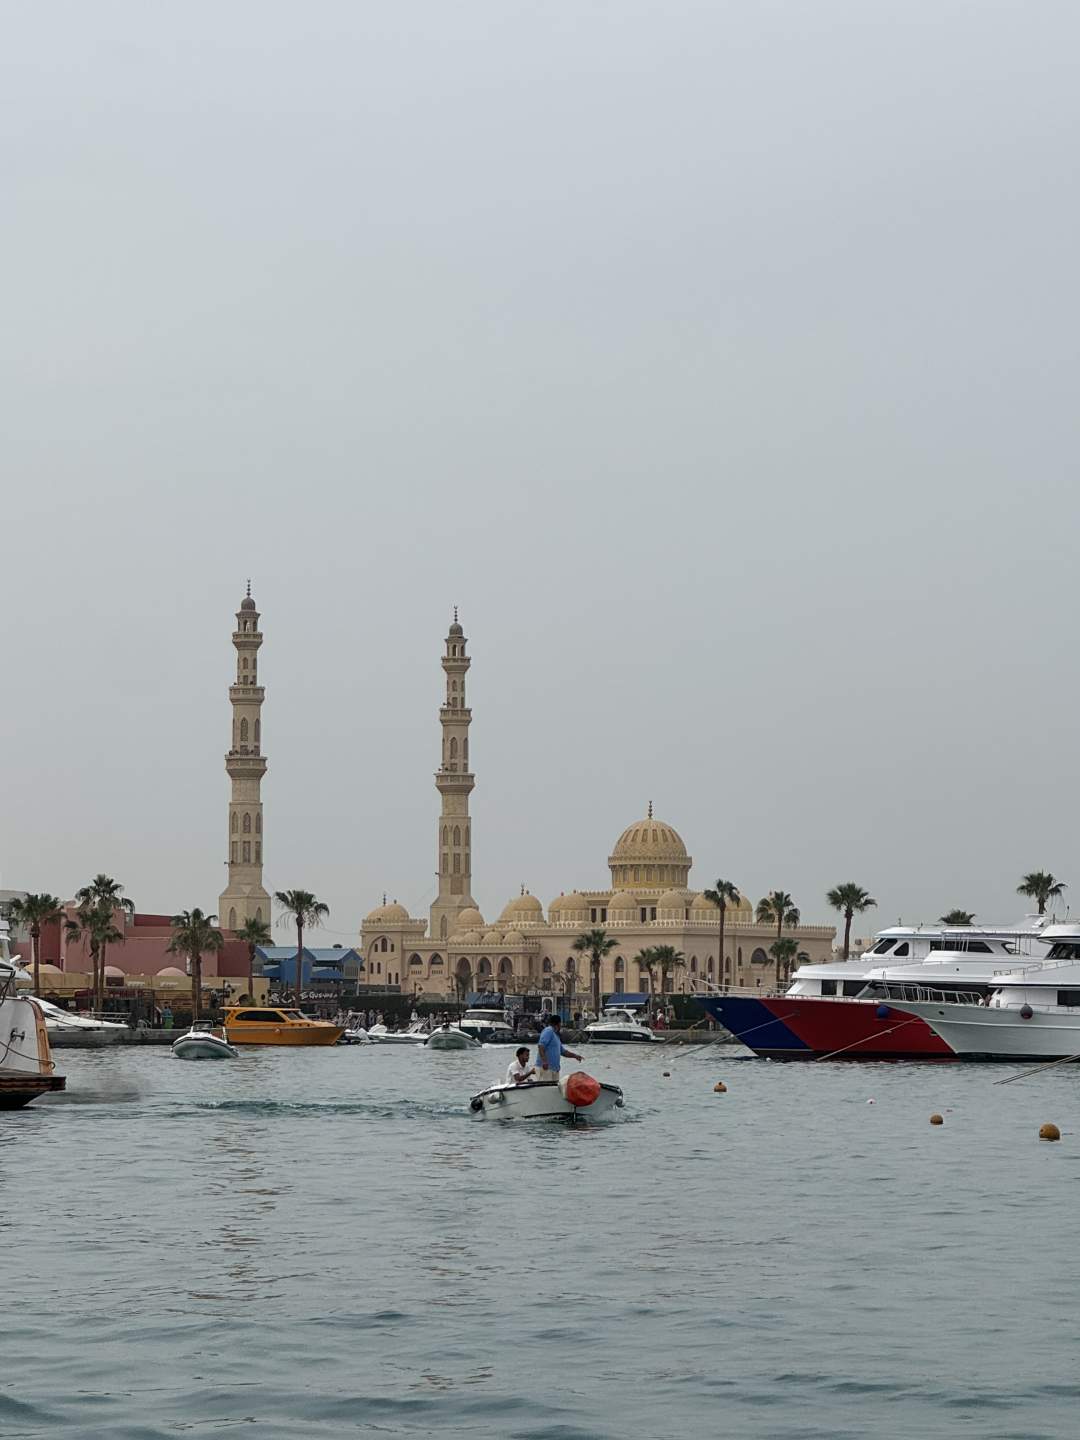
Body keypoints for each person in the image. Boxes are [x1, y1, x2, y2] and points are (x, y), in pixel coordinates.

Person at [536, 1014, 581, 1082]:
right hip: (546, 1068)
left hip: (554, 1069)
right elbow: (541, 1046)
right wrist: (544, 1061)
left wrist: (575, 1056)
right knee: (545, 1087)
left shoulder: (556, 1035)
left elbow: (563, 1052)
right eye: (560, 1023)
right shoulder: (548, 1031)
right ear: (559, 1024)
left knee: (553, 1088)